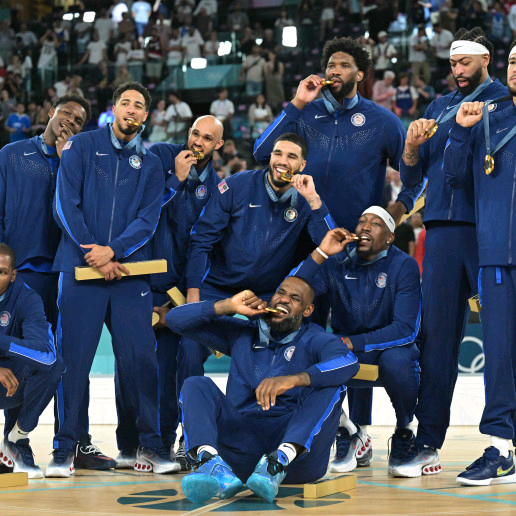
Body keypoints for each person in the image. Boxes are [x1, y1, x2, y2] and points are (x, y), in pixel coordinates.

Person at [46, 82, 179, 477]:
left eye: (138, 105)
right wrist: (93, 250)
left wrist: (114, 251)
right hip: (79, 268)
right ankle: (64, 449)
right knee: (72, 363)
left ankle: (150, 446)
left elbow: (148, 219)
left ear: (145, 116)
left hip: (128, 275)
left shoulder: (151, 163)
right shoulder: (81, 146)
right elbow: (64, 204)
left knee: (141, 361)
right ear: (114, 109)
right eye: (125, 103)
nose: (131, 110)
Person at [399, 27, 507, 477]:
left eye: (465, 63)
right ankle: (427, 442)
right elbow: (413, 179)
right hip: (441, 233)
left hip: (490, 233)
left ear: (485, 59)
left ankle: (501, 443)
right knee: (436, 342)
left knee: (502, 339)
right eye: (452, 64)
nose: (458, 71)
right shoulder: (438, 107)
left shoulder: (505, 101)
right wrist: (410, 147)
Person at [181, 134, 337, 435]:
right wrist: (193, 293)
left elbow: (331, 246)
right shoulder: (237, 185)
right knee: (189, 345)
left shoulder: (306, 200)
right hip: (218, 285)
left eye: (291, 156)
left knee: (284, 346)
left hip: (269, 291)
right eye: (278, 153)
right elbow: (201, 239)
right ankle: (187, 432)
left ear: (302, 165)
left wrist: (314, 201)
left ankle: (274, 426)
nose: (282, 161)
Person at [157, 275, 359, 503]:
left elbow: (349, 363)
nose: (284, 299)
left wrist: (295, 379)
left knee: (331, 385)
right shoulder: (242, 333)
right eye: (281, 293)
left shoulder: (316, 338)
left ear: (307, 310)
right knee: (196, 384)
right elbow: (174, 320)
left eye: (295, 298)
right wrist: (228, 306)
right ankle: (211, 465)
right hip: (240, 456)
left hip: (297, 461)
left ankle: (277, 463)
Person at [0, 95, 113, 470]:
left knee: (72, 360)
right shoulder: (12, 154)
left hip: (70, 272)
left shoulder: (81, 162)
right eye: (66, 113)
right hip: (24, 271)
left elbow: (93, 211)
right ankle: (16, 440)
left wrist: (69, 160)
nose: (70, 122)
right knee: (23, 356)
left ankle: (76, 441)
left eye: (79, 121)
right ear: (50, 112)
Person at [112, 116, 224, 470]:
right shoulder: (160, 155)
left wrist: (191, 294)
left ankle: (170, 441)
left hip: (180, 289)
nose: (198, 142)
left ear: (218, 145)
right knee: (133, 364)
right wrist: (174, 178)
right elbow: (138, 210)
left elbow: (202, 244)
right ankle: (130, 442)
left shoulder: (217, 187)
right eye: (195, 134)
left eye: (207, 138)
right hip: (139, 280)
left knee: (180, 361)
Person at [291, 209, 421, 475]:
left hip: (389, 345)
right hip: (346, 346)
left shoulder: (404, 265)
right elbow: (292, 288)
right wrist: (322, 252)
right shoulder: (337, 262)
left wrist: (352, 342)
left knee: (397, 362)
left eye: (375, 223)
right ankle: (347, 430)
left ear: (389, 238)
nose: (365, 226)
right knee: (301, 357)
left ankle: (404, 430)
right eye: (361, 221)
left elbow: (406, 329)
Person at [254, 36, 423, 233]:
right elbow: (261, 154)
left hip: (353, 237)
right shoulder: (303, 113)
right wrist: (298, 102)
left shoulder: (383, 120)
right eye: (330, 66)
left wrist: (399, 209)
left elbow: (417, 174)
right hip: (299, 234)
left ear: (359, 75)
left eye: (344, 65)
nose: (335, 70)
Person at [441, 46, 516, 486]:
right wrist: (459, 132)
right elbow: (453, 178)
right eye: (513, 62)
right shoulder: (488, 115)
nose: (515, 69)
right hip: (496, 254)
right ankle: (500, 447)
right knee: (500, 353)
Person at [0, 244, 64, 478]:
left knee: (54, 366)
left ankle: (17, 437)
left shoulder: (27, 298)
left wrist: (2, 342)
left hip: (11, 385)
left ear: (13, 275)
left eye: (2, 272)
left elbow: (46, 356)